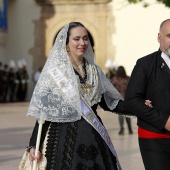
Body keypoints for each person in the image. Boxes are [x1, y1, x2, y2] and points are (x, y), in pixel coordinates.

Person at [19, 22, 148, 170]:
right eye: (77, 39)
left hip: (95, 138)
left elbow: (109, 103)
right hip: (65, 141)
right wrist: (34, 144)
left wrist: (139, 106)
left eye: (85, 38)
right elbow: (44, 113)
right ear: (66, 43)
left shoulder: (94, 70)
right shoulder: (55, 73)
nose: (82, 43)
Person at [125, 19, 170, 170]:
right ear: (159, 37)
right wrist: (164, 121)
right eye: (169, 36)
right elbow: (131, 99)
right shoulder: (144, 64)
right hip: (154, 138)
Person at [111, 66, 133, 135]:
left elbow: (110, 87)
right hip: (127, 98)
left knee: (120, 114)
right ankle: (129, 129)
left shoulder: (115, 79)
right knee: (127, 114)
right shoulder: (127, 78)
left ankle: (122, 129)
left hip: (119, 99)